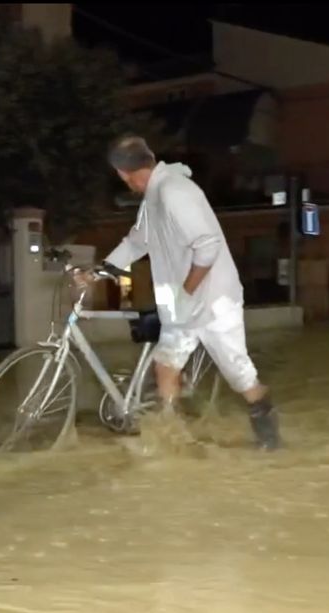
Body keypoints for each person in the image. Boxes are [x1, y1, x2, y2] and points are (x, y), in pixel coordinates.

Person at [97, 135, 281, 451]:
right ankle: (170, 438)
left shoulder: (175, 192)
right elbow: (136, 242)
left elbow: (207, 246)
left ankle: (270, 437)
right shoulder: (153, 200)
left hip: (213, 302)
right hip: (180, 305)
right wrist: (102, 270)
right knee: (166, 363)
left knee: (240, 375)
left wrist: (187, 291)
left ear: (124, 174)